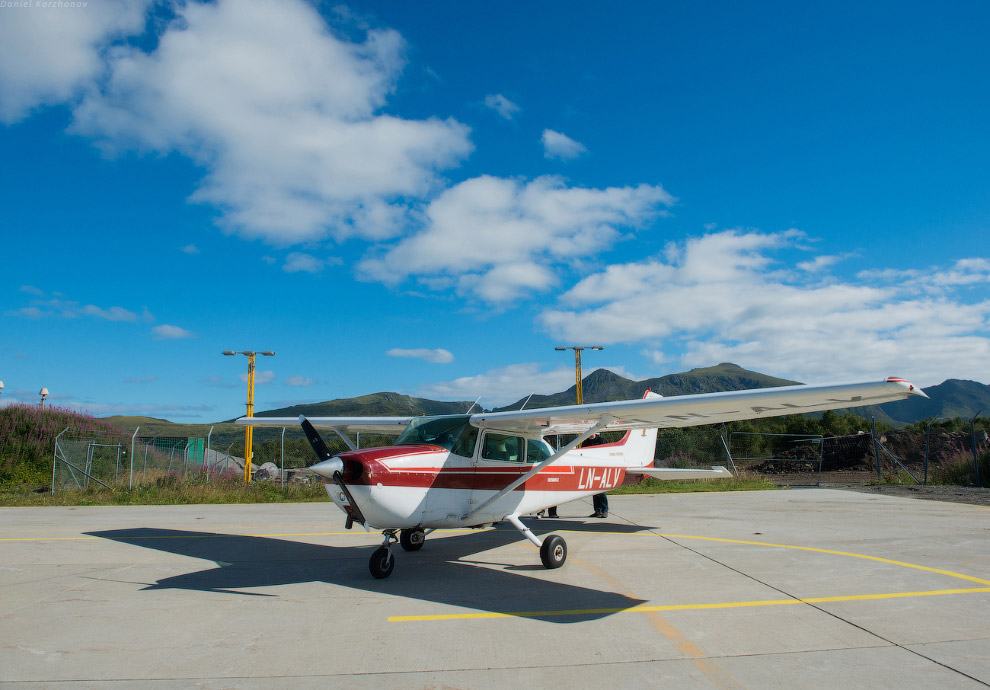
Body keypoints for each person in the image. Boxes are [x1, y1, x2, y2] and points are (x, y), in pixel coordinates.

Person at [581, 433, 609, 518]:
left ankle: (604, 511)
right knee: (594, 491)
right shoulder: (585, 443)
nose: (590, 434)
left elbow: (607, 452)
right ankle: (597, 510)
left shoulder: (602, 441)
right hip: (590, 469)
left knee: (601, 490)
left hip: (600, 468)